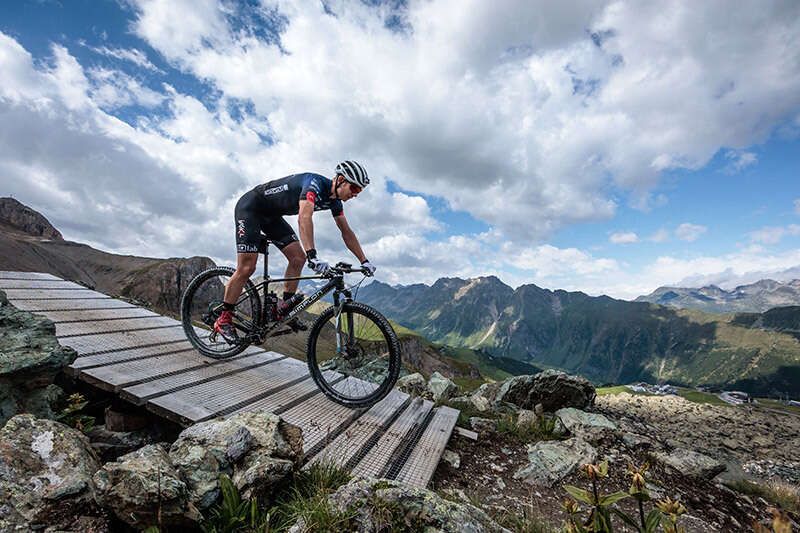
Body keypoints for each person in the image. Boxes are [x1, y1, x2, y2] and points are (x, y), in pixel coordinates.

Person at [214, 161, 376, 341]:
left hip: (272, 216)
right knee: (246, 268)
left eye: (359, 192)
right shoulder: (313, 184)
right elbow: (304, 217)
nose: (355, 195)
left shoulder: (336, 202)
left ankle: (284, 308)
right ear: (340, 180)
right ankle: (224, 318)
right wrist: (312, 256)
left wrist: (364, 260)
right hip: (250, 208)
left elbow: (346, 231)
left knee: (297, 258)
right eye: (354, 188)